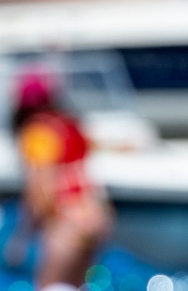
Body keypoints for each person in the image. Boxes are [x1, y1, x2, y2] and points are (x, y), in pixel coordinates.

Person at [7, 66, 111, 289]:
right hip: (94, 215)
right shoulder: (70, 124)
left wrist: (22, 236)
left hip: (67, 220)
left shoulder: (38, 133)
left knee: (49, 286)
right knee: (77, 285)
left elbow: (40, 188)